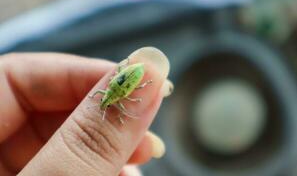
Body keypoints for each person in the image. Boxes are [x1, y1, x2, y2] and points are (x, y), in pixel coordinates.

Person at [0, 47, 173, 176]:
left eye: (103, 102)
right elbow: (102, 94)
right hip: (130, 76)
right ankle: (146, 84)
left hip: (134, 74)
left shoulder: (113, 92)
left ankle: (146, 84)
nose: (104, 103)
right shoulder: (113, 92)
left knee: (132, 93)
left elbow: (103, 94)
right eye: (104, 102)